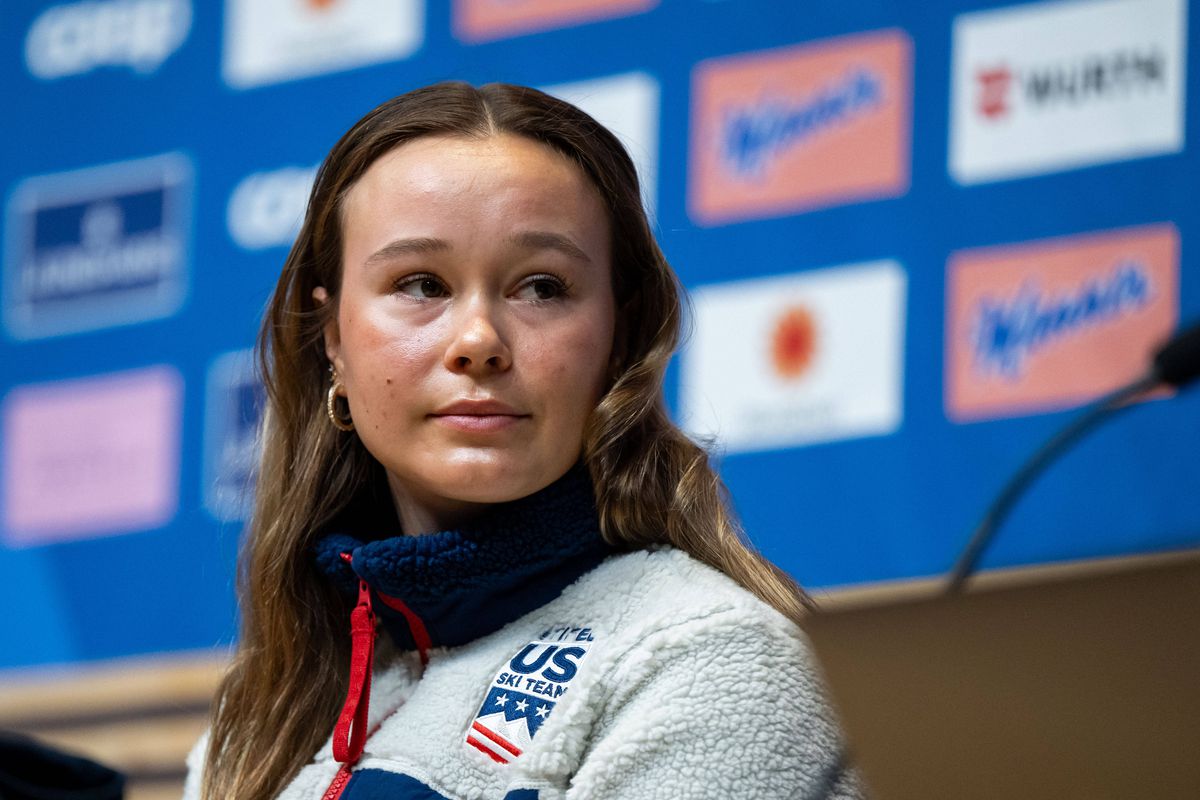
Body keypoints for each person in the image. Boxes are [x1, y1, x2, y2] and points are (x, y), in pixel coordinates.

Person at [185, 81, 862, 800]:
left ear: (619, 338)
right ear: (333, 340)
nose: (478, 341)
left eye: (541, 287)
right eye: (420, 284)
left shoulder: (712, 656)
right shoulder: (261, 717)